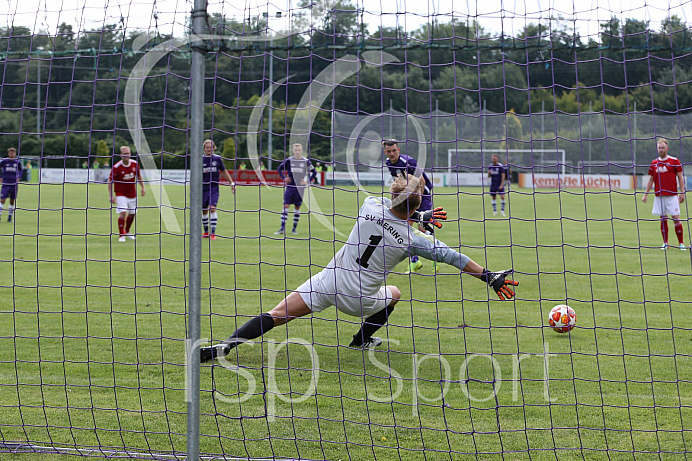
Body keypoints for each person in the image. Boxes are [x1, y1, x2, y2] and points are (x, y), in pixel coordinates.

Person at [200, 174, 518, 362]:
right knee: (394, 293)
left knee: (276, 315)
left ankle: (224, 346)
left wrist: (415, 212)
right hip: (359, 301)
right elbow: (454, 258)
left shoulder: (369, 205)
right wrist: (488, 277)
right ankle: (361, 340)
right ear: (417, 206)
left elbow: (390, 205)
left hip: (328, 283)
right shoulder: (414, 241)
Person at [383, 139, 434, 273]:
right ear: (385, 152)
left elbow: (421, 180)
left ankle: (434, 249)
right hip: (407, 197)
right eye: (389, 151)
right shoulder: (388, 163)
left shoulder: (408, 162)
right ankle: (415, 261)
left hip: (422, 195)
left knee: (421, 229)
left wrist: (418, 200)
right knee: (406, 229)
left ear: (398, 150)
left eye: (394, 150)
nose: (392, 153)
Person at [642, 138, 686, 250]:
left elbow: (680, 178)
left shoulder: (674, 161)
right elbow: (651, 179)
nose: (661, 150)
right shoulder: (654, 163)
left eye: (663, 148)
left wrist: (682, 193)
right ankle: (665, 243)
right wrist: (645, 194)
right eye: (659, 148)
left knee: (676, 218)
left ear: (667, 148)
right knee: (663, 219)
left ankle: (681, 243)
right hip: (659, 196)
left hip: (672, 196)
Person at [275, 143, 316, 235]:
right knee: (285, 206)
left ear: (301, 151)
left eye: (299, 150)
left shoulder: (306, 161)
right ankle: (282, 228)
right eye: (295, 150)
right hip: (290, 187)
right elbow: (279, 168)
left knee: (297, 207)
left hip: (300, 188)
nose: (297, 152)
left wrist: (307, 181)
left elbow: (314, 172)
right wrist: (284, 178)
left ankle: (294, 229)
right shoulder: (289, 160)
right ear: (293, 151)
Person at [108, 146, 145, 242]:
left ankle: (127, 231)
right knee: (123, 212)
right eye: (124, 154)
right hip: (120, 193)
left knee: (132, 214)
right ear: (121, 155)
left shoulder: (135, 164)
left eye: (128, 153)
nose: (127, 155)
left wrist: (143, 187)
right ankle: (121, 235)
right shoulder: (116, 167)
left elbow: (139, 175)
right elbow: (109, 180)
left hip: (132, 194)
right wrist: (111, 195)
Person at [202, 139, 235, 240]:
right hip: (203, 188)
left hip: (214, 188)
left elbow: (224, 171)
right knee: (204, 211)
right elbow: (194, 175)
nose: (209, 149)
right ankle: (206, 232)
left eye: (211, 147)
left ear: (214, 148)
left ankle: (213, 233)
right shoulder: (200, 160)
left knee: (212, 208)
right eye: (207, 147)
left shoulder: (217, 159)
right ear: (204, 149)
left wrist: (231, 183)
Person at [0, 147, 23, 222]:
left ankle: (9, 218)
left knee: (12, 201)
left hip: (14, 184)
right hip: (5, 184)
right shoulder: (4, 161)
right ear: (8, 154)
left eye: (13, 153)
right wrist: (0, 177)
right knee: (2, 200)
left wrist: (19, 177)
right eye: (10, 153)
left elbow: (20, 170)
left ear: (15, 154)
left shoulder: (17, 162)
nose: (11, 154)